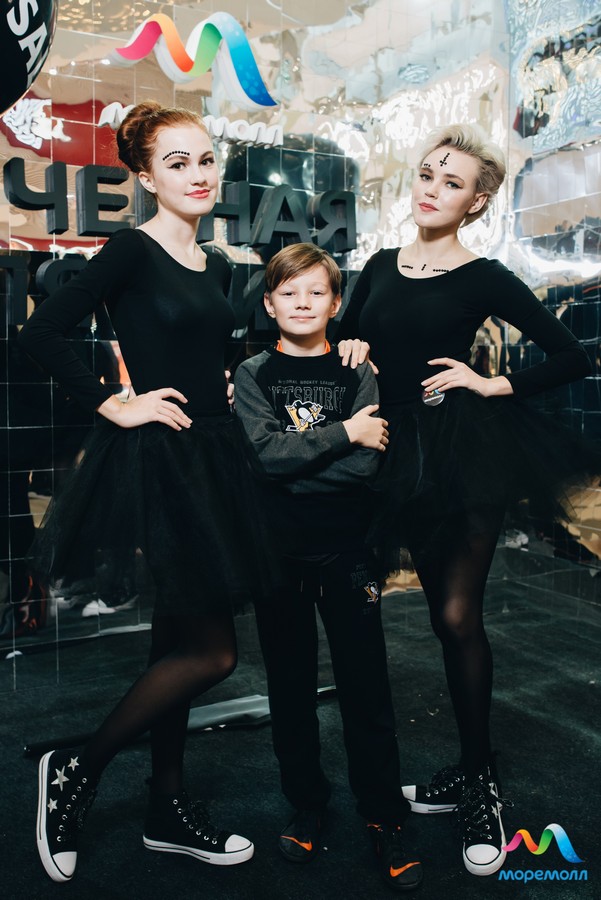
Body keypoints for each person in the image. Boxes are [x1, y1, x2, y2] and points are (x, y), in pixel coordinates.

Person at [335, 124, 595, 878]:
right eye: (427, 174)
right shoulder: (378, 266)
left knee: (456, 617)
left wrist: (492, 383)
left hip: (464, 455)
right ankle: (459, 774)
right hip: (390, 453)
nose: (431, 189)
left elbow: (572, 355)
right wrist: (348, 347)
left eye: (451, 183)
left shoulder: (483, 275)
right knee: (409, 612)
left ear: (476, 202)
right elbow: (346, 340)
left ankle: (480, 782)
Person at [19, 100, 264, 883]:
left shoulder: (216, 264)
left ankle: (166, 806)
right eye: (177, 163)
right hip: (164, 462)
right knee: (213, 653)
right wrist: (113, 402)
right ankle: (76, 770)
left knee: (176, 644)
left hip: (217, 456)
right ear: (147, 177)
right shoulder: (130, 249)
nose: (198, 175)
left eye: (206, 159)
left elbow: (208, 350)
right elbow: (40, 334)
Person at [234, 243, 423, 893]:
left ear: (336, 303)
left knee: (366, 687)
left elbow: (367, 466)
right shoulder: (253, 373)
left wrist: (302, 458)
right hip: (277, 552)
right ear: (269, 304)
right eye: (289, 293)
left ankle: (384, 815)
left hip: (347, 549)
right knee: (289, 687)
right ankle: (307, 804)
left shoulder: (355, 368)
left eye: (316, 292)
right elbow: (263, 458)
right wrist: (342, 436)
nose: (303, 303)